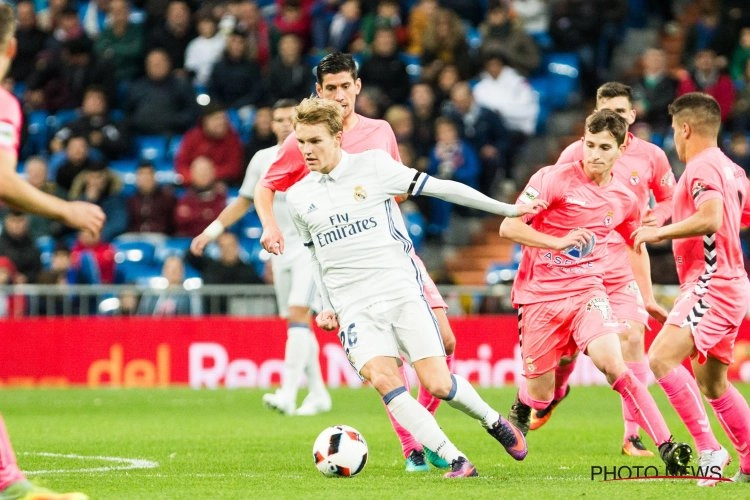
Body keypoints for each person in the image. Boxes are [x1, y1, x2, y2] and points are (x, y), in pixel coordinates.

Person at [287, 97, 543, 477]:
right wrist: (325, 305)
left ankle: (493, 422)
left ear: (338, 136)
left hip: (400, 292)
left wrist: (505, 209)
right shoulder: (298, 197)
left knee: (439, 384)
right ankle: (456, 459)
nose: (307, 150)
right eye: (301, 142)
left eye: (315, 141)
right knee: (385, 381)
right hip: (353, 307)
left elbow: (442, 188)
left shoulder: (373, 167)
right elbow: (316, 257)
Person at [254, 51, 460, 472]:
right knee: (386, 366)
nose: (338, 95)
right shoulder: (308, 139)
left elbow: (399, 188)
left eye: (345, 86)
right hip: (349, 270)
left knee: (448, 342)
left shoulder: (380, 131)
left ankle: (424, 435)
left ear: (357, 86)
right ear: (319, 91)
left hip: (397, 255)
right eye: (330, 88)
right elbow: (266, 186)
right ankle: (414, 448)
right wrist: (270, 227)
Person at [498, 109, 692, 475]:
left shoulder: (624, 197)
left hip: (589, 290)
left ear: (621, 150)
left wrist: (648, 292)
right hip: (539, 296)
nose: (594, 154)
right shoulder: (552, 179)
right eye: (589, 144)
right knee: (540, 395)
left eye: (605, 147)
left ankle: (667, 446)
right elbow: (508, 227)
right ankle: (524, 403)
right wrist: (557, 242)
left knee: (614, 363)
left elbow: (637, 242)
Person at [529, 82, 675, 459]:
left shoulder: (652, 157)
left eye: (621, 112)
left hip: (625, 258)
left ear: (632, 117)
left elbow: (669, 201)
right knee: (565, 354)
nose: (614, 116)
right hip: (576, 267)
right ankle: (555, 391)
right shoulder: (574, 155)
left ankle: (633, 436)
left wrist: (652, 220)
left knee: (632, 336)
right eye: (605, 109)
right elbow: (548, 211)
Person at [0, 4, 104, 498]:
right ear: (13, 47)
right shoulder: (3, 103)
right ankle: (10, 486)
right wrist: (67, 211)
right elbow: (3, 181)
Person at [632, 92, 750, 486]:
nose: (674, 140)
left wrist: (659, 231)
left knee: (661, 358)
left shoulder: (700, 169)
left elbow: (712, 217)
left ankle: (708, 449)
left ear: (685, 129)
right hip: (732, 284)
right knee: (713, 383)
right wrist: (669, 212)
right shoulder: (732, 170)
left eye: (673, 131)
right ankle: (749, 462)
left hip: (711, 284)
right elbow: (738, 215)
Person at [191, 98, 332, 416]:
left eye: (288, 118)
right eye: (278, 119)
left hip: (311, 251)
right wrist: (211, 232)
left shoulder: (314, 155)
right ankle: (320, 393)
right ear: (270, 124)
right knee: (296, 324)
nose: (283, 124)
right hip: (280, 252)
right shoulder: (262, 159)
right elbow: (242, 202)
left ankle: (288, 393)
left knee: (298, 315)